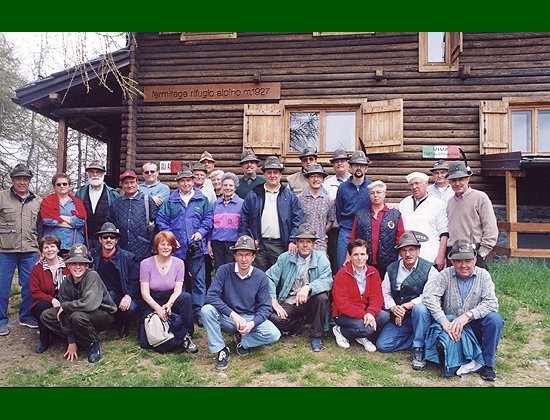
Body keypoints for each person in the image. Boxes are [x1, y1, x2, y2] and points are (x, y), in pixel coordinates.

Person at [422, 239, 504, 380]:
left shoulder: (483, 275)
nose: (464, 265)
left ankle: (487, 364)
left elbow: (492, 302)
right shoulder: (445, 275)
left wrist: (468, 316)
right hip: (451, 326)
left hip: (474, 324)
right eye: (459, 261)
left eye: (468, 260)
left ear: (475, 260)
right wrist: (443, 321)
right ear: (452, 262)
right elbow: (429, 297)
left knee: (495, 319)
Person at [201, 235, 281, 370]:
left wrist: (252, 323)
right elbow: (211, 296)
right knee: (206, 310)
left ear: (253, 257)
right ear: (235, 256)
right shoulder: (224, 271)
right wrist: (232, 314)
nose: (244, 259)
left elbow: (266, 307)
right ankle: (221, 349)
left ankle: (243, 342)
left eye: (247, 255)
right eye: (240, 255)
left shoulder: (261, 277)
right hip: (228, 317)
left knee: (274, 334)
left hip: (249, 317)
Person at [40, 244, 117, 363]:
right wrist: (71, 341)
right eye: (74, 263)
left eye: (81, 264)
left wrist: (66, 306)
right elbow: (65, 312)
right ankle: (78, 338)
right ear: (68, 266)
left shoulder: (92, 276)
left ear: (87, 266)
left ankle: (92, 344)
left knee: (77, 316)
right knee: (47, 315)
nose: (77, 267)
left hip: (102, 314)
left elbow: (89, 304)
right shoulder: (66, 282)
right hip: (76, 314)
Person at [156, 167, 213, 328]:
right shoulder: (171, 201)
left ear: (193, 181)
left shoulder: (202, 200)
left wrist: (201, 232)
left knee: (198, 281)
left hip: (197, 248)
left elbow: (209, 218)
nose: (186, 184)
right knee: (178, 281)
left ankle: (198, 311)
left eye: (188, 180)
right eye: (182, 181)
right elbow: (161, 219)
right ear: (178, 182)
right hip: (177, 250)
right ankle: (182, 310)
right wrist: (171, 237)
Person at [375, 232, 439, 370]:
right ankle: (420, 339)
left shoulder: (430, 269)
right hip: (400, 317)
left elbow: (429, 296)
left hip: (422, 316)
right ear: (400, 253)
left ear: (418, 250)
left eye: (411, 249)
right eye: (404, 250)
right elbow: (385, 292)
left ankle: (419, 349)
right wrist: (394, 308)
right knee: (383, 345)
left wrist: (406, 307)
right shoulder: (392, 268)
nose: (408, 254)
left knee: (420, 309)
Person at [266, 223, 333, 352]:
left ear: (313, 244)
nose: (305, 245)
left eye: (308, 241)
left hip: (312, 301)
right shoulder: (285, 258)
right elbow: (268, 277)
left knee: (322, 297)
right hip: (291, 301)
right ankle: (297, 323)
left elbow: (327, 281)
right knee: (274, 317)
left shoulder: (322, 259)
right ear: (296, 243)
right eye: (301, 241)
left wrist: (309, 287)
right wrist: (273, 299)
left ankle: (316, 336)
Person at [238, 155, 303, 272]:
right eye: (269, 172)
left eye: (275, 172)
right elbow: (244, 219)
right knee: (258, 276)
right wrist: (247, 240)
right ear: (264, 174)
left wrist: (293, 240)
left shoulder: (289, 196)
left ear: (280, 174)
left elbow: (297, 220)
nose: (272, 175)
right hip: (258, 244)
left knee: (280, 276)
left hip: (280, 245)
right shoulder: (254, 194)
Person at [0, 163, 42, 335]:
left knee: (30, 284)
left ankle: (26, 316)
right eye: (18, 179)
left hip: (30, 250)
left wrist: (41, 247)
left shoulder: (37, 201)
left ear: (29, 181)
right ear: (13, 180)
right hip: (5, 249)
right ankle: (1, 320)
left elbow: (41, 226)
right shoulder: (2, 197)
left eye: (25, 179)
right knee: (2, 286)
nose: (22, 182)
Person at [139, 231, 197, 353]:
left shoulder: (179, 263)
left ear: (173, 247)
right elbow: (144, 293)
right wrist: (158, 309)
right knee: (145, 342)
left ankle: (186, 335)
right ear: (157, 246)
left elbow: (178, 289)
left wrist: (169, 305)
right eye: (162, 244)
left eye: (169, 245)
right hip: (153, 300)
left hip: (172, 298)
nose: (166, 247)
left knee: (186, 297)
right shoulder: (145, 264)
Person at [331, 238, 390, 352]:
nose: (359, 258)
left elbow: (377, 297)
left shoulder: (373, 272)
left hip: (365, 312)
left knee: (385, 316)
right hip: (343, 314)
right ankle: (340, 330)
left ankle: (360, 335)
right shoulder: (342, 274)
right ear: (350, 256)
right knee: (368, 329)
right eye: (356, 254)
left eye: (362, 254)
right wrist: (364, 315)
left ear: (367, 256)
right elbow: (342, 304)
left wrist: (370, 313)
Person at [90, 222, 141, 338]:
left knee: (131, 307)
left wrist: (128, 295)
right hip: (98, 294)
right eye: (105, 237)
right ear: (100, 239)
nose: (109, 240)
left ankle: (123, 324)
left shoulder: (128, 257)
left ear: (116, 240)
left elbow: (134, 280)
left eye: (112, 237)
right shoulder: (92, 256)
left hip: (121, 294)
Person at [446, 161, 499, 270]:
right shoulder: (450, 202)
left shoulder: (480, 198)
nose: (457, 183)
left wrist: (482, 252)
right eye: (453, 180)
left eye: (461, 179)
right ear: (449, 182)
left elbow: (490, 227)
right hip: (453, 252)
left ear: (468, 179)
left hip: (473, 251)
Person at [349, 180, 405, 280]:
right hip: (364, 262)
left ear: (384, 194)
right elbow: (353, 237)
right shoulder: (361, 214)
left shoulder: (395, 214)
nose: (375, 195)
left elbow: (400, 238)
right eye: (372, 193)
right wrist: (349, 257)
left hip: (388, 263)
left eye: (378, 192)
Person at [398, 171, 448, 271]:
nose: (414, 187)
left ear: (426, 184)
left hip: (430, 255)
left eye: (417, 183)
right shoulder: (404, 203)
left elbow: (444, 233)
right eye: (411, 184)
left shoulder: (438, 205)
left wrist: (441, 256)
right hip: (407, 257)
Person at [107, 169, 158, 262]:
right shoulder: (116, 203)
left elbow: (156, 224)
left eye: (132, 182)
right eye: (126, 183)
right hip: (121, 251)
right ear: (122, 185)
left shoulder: (147, 201)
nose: (129, 185)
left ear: (137, 183)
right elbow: (110, 222)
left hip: (143, 251)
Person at [30, 235, 70, 353]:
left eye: (52, 246)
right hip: (46, 300)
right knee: (42, 307)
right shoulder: (37, 269)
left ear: (58, 249)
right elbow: (35, 291)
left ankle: (66, 336)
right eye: (46, 247)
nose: (50, 250)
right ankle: (44, 340)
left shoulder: (67, 266)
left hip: (66, 298)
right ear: (42, 251)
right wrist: (52, 300)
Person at [335, 150, 372, 269]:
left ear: (366, 168)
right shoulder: (342, 188)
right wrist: (345, 223)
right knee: (343, 264)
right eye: (356, 165)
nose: (359, 168)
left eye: (362, 165)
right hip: (346, 229)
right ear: (350, 167)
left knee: (364, 264)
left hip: (365, 230)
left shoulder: (371, 187)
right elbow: (338, 210)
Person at [75, 161, 120, 250]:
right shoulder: (80, 193)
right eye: (92, 172)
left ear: (103, 174)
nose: (95, 175)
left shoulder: (113, 194)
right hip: (84, 239)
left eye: (98, 172)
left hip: (106, 239)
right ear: (88, 174)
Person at [40, 173, 87, 255]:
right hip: (52, 245)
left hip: (74, 245)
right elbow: (48, 220)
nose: (62, 186)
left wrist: (59, 217)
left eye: (64, 184)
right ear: (54, 187)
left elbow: (80, 222)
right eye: (58, 184)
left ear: (69, 186)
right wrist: (71, 222)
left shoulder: (77, 202)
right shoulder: (47, 201)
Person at [322, 149, 351, 275]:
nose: (340, 164)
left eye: (342, 161)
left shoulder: (355, 181)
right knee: (335, 262)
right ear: (333, 165)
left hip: (353, 228)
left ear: (348, 163)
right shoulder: (327, 184)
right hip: (335, 229)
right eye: (336, 162)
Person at [208, 172, 244, 270]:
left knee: (232, 270)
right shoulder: (215, 204)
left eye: (231, 185)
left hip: (233, 242)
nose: (228, 188)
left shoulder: (241, 204)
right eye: (225, 185)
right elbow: (210, 224)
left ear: (235, 187)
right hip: (217, 242)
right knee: (219, 269)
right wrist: (209, 242)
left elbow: (244, 224)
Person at [297, 163, 335, 252]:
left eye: (319, 177)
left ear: (323, 180)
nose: (316, 179)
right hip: (303, 245)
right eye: (312, 176)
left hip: (320, 245)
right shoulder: (298, 199)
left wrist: (321, 232)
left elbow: (330, 221)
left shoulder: (328, 200)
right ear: (307, 179)